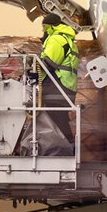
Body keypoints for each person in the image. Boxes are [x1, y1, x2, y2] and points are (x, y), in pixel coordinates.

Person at [38, 13, 80, 153]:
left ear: (49, 26)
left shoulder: (56, 39)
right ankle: (68, 148)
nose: (42, 30)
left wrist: (33, 67)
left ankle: (66, 149)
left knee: (55, 120)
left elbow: (49, 63)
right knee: (59, 118)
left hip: (57, 87)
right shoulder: (67, 39)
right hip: (65, 87)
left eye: (44, 27)